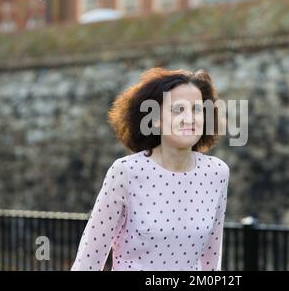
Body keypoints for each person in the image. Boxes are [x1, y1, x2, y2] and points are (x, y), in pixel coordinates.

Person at [71, 67, 230, 271]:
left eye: (196, 109)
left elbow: (211, 261)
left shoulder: (217, 173)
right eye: (178, 109)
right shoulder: (126, 172)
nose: (189, 118)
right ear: (155, 118)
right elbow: (89, 261)